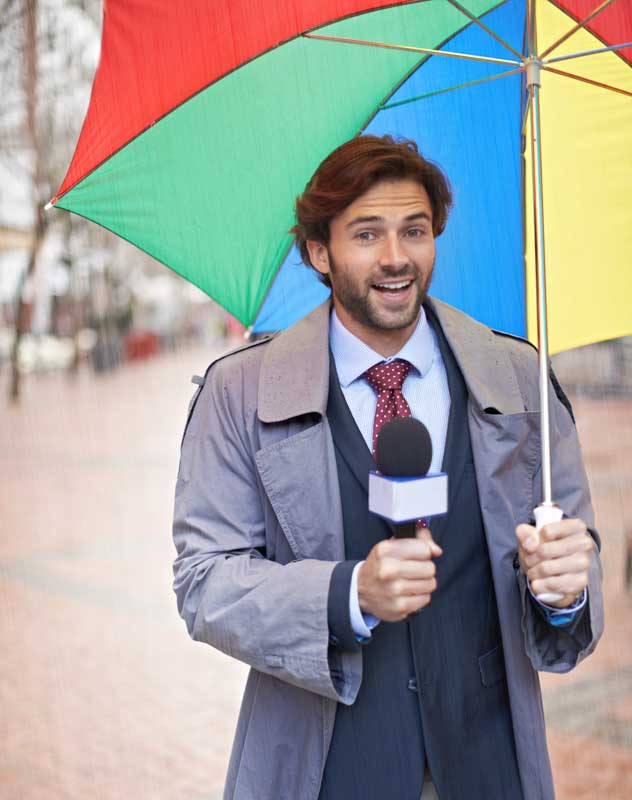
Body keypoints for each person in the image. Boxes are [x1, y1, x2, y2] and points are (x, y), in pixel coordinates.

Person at [172, 135, 603, 800]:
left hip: (490, 766)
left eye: (416, 230)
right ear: (320, 251)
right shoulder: (239, 393)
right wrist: (348, 594)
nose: (397, 257)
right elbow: (205, 583)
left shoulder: (519, 377)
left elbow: (575, 568)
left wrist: (563, 589)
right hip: (325, 764)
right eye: (367, 234)